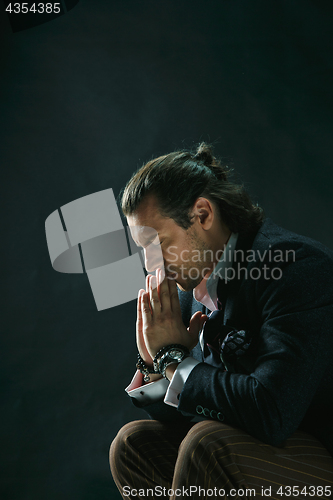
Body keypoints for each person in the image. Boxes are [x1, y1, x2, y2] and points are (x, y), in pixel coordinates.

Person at [110, 143, 333, 499]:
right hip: (256, 446)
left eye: (160, 243)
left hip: (315, 452)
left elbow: (271, 413)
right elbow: (186, 409)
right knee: (133, 443)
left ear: (202, 214)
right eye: (143, 250)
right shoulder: (186, 285)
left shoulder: (294, 268)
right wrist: (155, 365)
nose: (152, 265)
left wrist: (174, 359)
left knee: (207, 443)